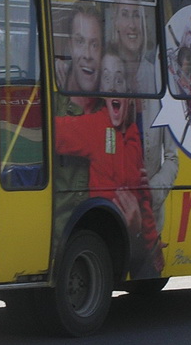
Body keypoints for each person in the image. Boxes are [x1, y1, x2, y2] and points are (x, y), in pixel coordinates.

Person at [54, 48, 164, 276]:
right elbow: (53, 132)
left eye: (119, 79)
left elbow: (144, 200)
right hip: (105, 232)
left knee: (148, 274)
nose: (113, 86)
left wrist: (154, 246)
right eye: (106, 78)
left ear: (127, 89)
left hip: (135, 242)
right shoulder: (96, 126)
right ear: (102, 92)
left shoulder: (134, 136)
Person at [110, 0, 178, 262]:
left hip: (152, 223)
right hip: (112, 213)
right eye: (124, 14)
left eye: (137, 14)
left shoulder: (158, 78)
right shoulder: (106, 76)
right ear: (114, 21)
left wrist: (152, 192)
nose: (132, 23)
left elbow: (172, 158)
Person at [52, 1, 104, 233]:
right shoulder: (53, 103)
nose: (87, 55)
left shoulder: (113, 109)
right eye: (80, 42)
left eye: (95, 45)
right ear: (69, 47)